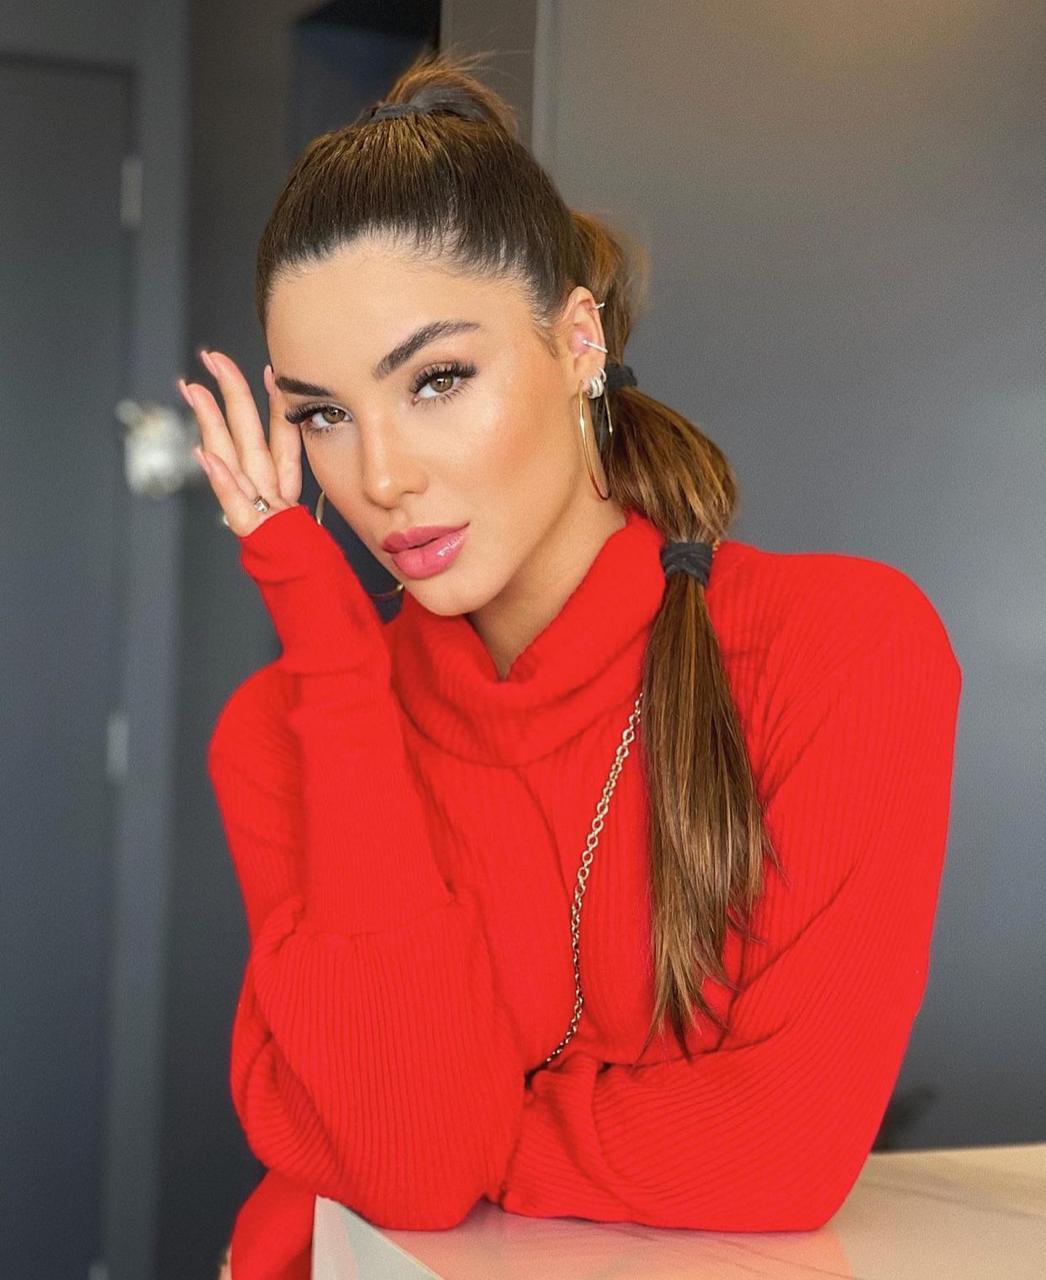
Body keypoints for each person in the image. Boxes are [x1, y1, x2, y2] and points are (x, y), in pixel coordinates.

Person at [182, 46, 963, 1280]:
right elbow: (410, 1174)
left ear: (578, 339)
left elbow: (784, 1146)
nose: (379, 477)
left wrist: (466, 1124)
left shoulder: (833, 648)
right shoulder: (285, 725)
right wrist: (329, 650)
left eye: (437, 379)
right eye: (323, 413)